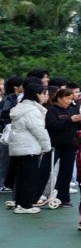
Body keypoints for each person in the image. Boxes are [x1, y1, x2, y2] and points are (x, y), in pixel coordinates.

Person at [6, 79, 53, 214]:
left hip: (18, 148)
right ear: (36, 94)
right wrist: (47, 147)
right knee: (29, 178)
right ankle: (25, 205)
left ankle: (20, 204)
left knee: (22, 178)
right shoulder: (32, 110)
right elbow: (39, 131)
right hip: (29, 148)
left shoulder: (20, 108)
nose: (45, 96)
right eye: (43, 94)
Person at [45, 85, 81, 210]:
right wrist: (70, 120)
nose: (69, 101)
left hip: (70, 145)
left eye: (71, 99)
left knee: (66, 173)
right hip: (55, 146)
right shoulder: (52, 110)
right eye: (67, 98)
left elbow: (78, 127)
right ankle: (36, 196)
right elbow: (52, 126)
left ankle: (63, 198)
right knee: (45, 170)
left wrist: (80, 120)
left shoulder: (72, 109)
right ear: (59, 98)